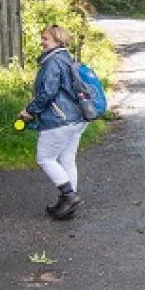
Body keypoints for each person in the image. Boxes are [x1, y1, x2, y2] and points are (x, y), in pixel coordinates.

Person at [19, 25, 88, 220]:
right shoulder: (67, 58)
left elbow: (48, 92)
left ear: (58, 41)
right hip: (78, 117)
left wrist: (29, 111)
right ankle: (67, 204)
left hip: (60, 119)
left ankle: (69, 196)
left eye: (46, 38)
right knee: (67, 159)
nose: (42, 41)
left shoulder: (52, 62)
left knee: (45, 158)